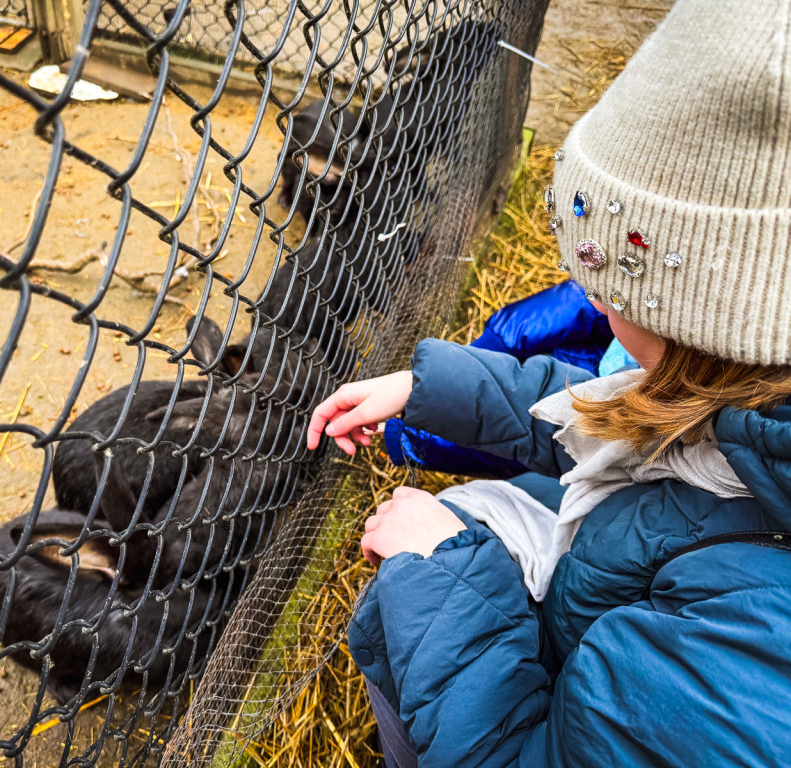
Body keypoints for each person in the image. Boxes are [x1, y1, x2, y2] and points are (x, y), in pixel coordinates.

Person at [306, 1, 791, 765]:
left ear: (722, 324)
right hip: (622, 596)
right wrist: (429, 385)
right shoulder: (750, 410)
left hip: (555, 723)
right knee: (477, 513)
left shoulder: (743, 664)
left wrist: (442, 578)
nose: (591, 303)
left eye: (619, 290)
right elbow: (626, 422)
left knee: (408, 601)